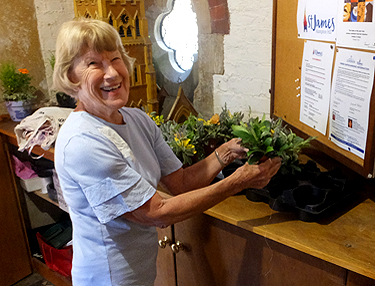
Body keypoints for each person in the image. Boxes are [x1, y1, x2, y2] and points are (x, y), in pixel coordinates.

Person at [53, 18, 281, 286]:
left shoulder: (136, 120)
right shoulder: (82, 141)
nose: (112, 73)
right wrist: (237, 182)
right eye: (94, 64)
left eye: (115, 59)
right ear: (71, 76)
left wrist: (226, 152)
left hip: (140, 270)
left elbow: (181, 183)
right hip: (107, 277)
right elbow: (155, 213)